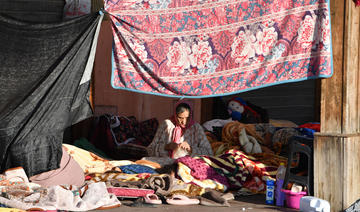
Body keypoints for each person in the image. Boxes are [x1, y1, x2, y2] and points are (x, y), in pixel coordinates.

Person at [146, 100, 213, 162]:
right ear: (175, 115)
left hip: (188, 163)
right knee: (144, 161)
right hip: (166, 162)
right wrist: (167, 146)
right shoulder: (166, 125)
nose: (184, 122)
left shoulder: (196, 128)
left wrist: (190, 149)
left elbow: (209, 153)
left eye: (187, 118)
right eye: (180, 118)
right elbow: (150, 150)